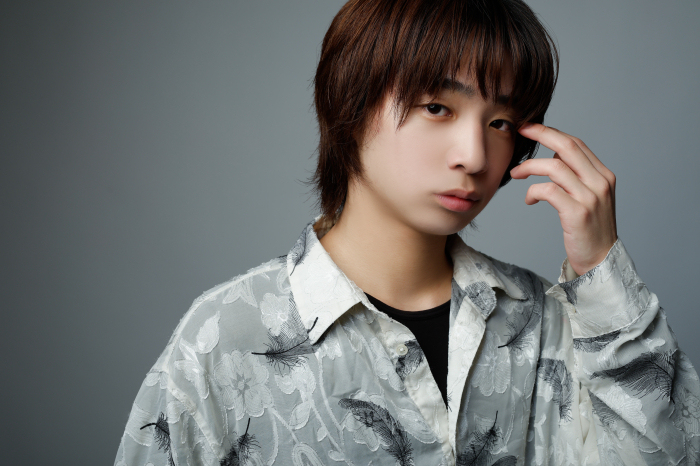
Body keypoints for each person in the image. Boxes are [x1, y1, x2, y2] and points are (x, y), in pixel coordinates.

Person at [115, 0, 700, 465]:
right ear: (351, 99)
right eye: (437, 108)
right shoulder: (225, 339)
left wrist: (600, 270)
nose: (474, 156)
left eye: (500, 122)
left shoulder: (547, 323)